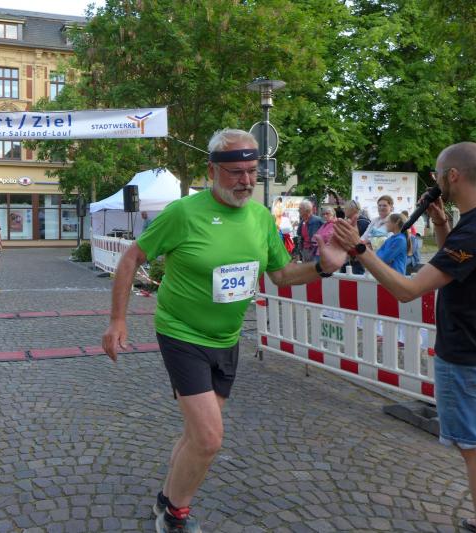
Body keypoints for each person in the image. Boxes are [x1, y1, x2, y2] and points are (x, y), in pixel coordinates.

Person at [101, 129, 348, 533]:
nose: (246, 181)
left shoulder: (260, 217)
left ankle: (165, 497)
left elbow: (282, 274)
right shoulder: (184, 213)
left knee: (196, 434)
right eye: (235, 172)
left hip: (227, 339)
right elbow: (131, 258)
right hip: (182, 333)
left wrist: (324, 267)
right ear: (212, 170)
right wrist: (118, 319)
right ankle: (175, 516)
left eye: (252, 172)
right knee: (209, 437)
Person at [334, 142, 476, 533]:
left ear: (452, 176)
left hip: (467, 354)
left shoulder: (475, 231)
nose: (434, 181)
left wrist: (360, 250)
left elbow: (407, 289)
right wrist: (440, 226)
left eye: (437, 173)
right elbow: (469, 264)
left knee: (474, 448)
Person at [343, 200, 369, 274]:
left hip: (358, 259)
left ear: (353, 209)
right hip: (347, 257)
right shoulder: (348, 221)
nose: (344, 210)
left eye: (346, 208)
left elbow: (361, 241)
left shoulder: (363, 222)